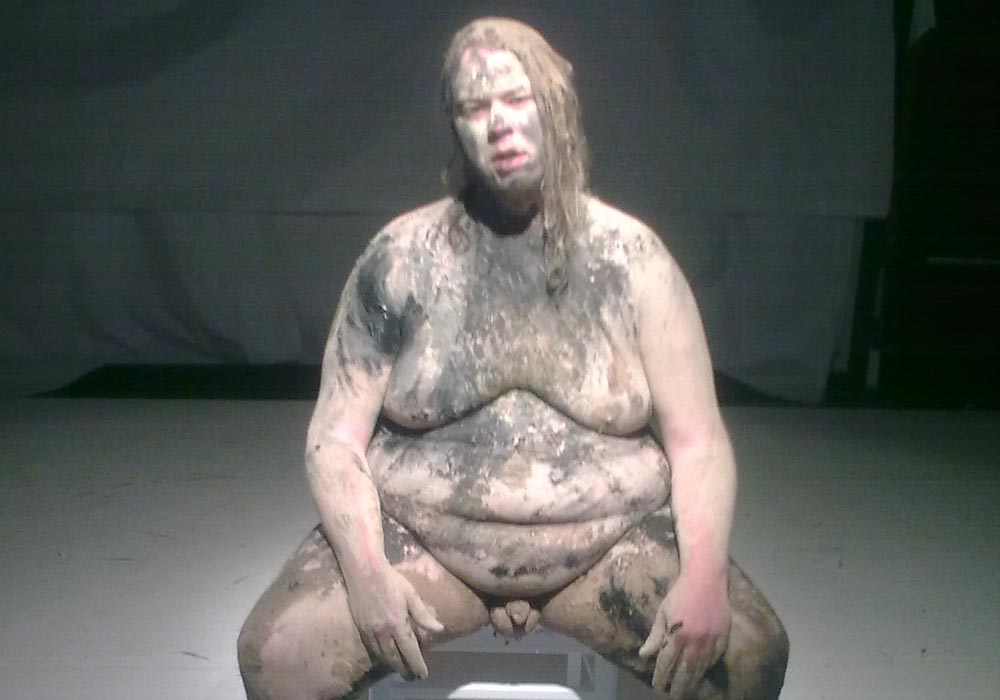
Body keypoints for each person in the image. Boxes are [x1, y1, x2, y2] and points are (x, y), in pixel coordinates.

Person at [238, 17, 788, 700]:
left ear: (557, 103)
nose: (498, 122)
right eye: (474, 107)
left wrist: (703, 576)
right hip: (428, 547)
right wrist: (368, 572)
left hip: (606, 547)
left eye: (516, 97)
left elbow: (699, 441)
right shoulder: (401, 259)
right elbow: (334, 438)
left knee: (750, 653)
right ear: (455, 125)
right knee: (280, 655)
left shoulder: (633, 262)